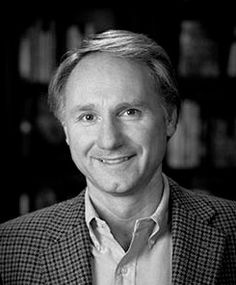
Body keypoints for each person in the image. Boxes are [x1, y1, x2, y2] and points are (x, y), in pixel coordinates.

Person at [0, 29, 235, 285]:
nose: (109, 140)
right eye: (88, 117)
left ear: (170, 119)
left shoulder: (232, 228)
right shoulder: (9, 247)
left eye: (129, 112)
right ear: (66, 130)